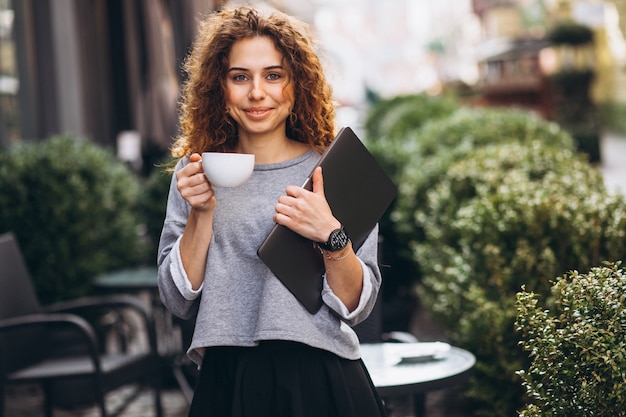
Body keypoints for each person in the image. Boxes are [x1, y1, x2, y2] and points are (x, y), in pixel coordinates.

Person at [157, 5, 386, 417]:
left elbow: (358, 306)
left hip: (322, 376)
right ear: (219, 88)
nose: (257, 92)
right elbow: (176, 299)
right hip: (228, 380)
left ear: (297, 85)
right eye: (240, 76)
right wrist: (202, 213)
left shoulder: (333, 170)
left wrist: (331, 235)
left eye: (273, 75)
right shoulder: (196, 172)